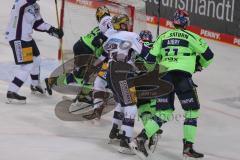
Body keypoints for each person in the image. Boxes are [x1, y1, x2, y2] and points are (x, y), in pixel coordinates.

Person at [130, 9, 214, 159]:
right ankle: (188, 148)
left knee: (164, 112)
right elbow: (209, 56)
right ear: (186, 22)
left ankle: (140, 139)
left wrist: (160, 61)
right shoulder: (192, 36)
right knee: (192, 111)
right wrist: (197, 65)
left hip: (164, 77)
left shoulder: (163, 36)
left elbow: (150, 60)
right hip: (181, 77)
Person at [86, 14, 143, 154]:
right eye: (126, 23)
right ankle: (125, 142)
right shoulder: (131, 35)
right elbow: (146, 53)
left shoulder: (111, 37)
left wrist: (93, 66)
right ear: (123, 25)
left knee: (121, 104)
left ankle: (114, 133)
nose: (127, 24)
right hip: (123, 72)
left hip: (110, 73)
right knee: (131, 107)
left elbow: (105, 53)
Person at [5, 0, 63, 103]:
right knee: (26, 66)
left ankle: (35, 85)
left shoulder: (35, 6)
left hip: (26, 37)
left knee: (37, 59)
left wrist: (53, 30)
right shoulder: (21, 2)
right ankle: (11, 92)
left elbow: (38, 24)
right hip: (17, 38)